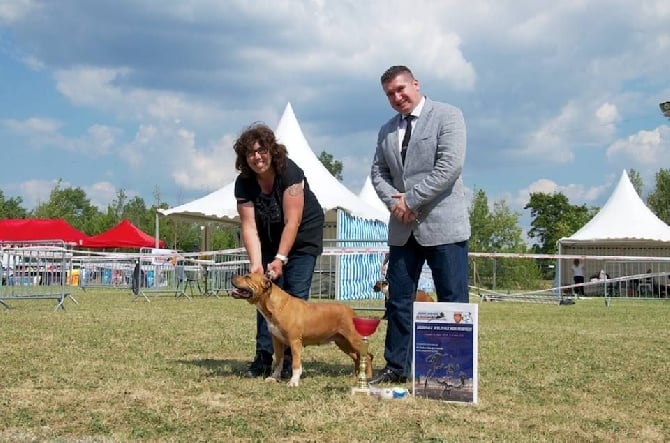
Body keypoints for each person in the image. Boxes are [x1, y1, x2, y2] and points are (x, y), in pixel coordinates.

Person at [369, 65, 471, 385]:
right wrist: (395, 205)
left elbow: (449, 167)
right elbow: (378, 173)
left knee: (452, 300)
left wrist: (410, 201)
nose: (397, 97)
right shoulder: (386, 130)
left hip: (444, 226)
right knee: (398, 301)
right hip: (402, 230)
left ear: (416, 84)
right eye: (390, 94)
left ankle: (454, 373)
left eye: (401, 89)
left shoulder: (448, 115)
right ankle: (396, 367)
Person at [233, 123, 324, 378]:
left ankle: (288, 363)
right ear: (244, 158)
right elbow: (249, 226)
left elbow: (292, 221)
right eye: (250, 153)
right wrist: (256, 264)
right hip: (269, 238)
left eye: (261, 150)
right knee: (262, 297)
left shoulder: (290, 172)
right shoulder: (244, 183)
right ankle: (264, 357)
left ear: (271, 150)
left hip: (303, 237)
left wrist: (281, 258)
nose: (257, 157)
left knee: (293, 297)